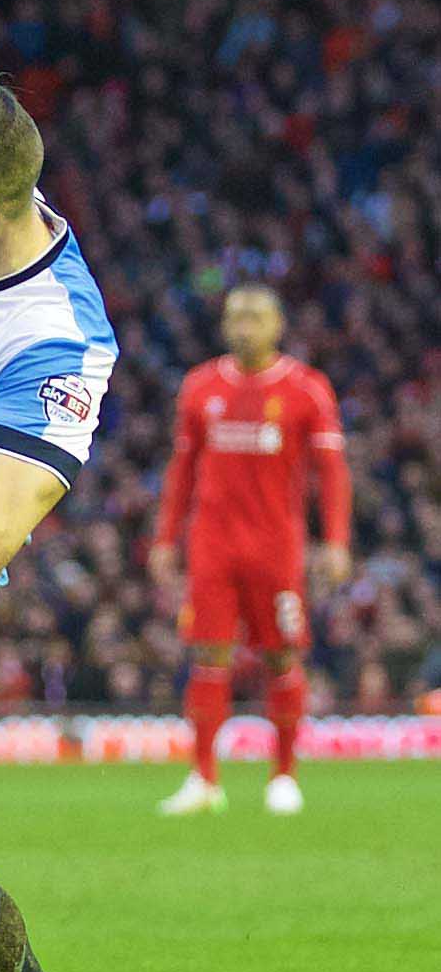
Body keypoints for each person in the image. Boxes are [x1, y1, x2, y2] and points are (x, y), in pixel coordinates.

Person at [152, 285, 350, 816]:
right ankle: (204, 779)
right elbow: (182, 472)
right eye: (236, 317)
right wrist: (166, 537)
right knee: (207, 653)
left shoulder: (307, 389)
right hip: (213, 545)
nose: (244, 327)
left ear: (277, 325)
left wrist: (335, 541)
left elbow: (332, 474)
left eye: (256, 317)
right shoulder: (200, 387)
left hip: (276, 546)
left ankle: (283, 775)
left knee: (282, 655)